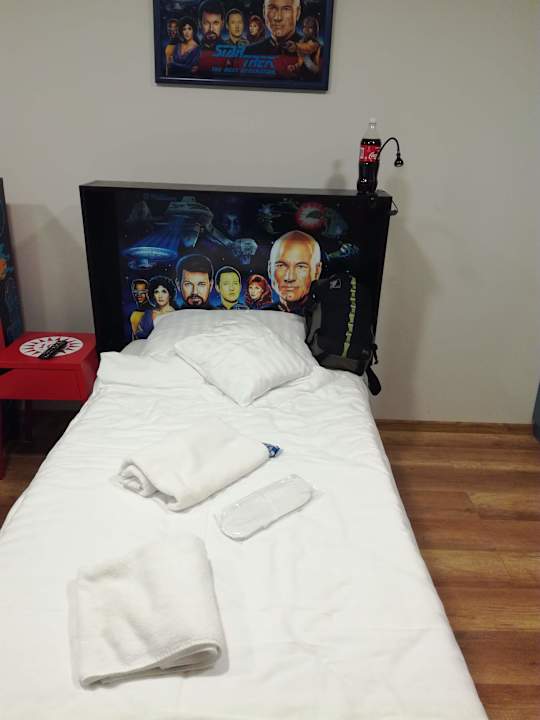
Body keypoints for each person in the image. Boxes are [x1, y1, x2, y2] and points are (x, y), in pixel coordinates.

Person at [267, 230, 322, 312]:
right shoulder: (259, 315)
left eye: (300, 267)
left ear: (317, 271)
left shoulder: (328, 314)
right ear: (269, 270)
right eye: (281, 266)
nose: (290, 278)